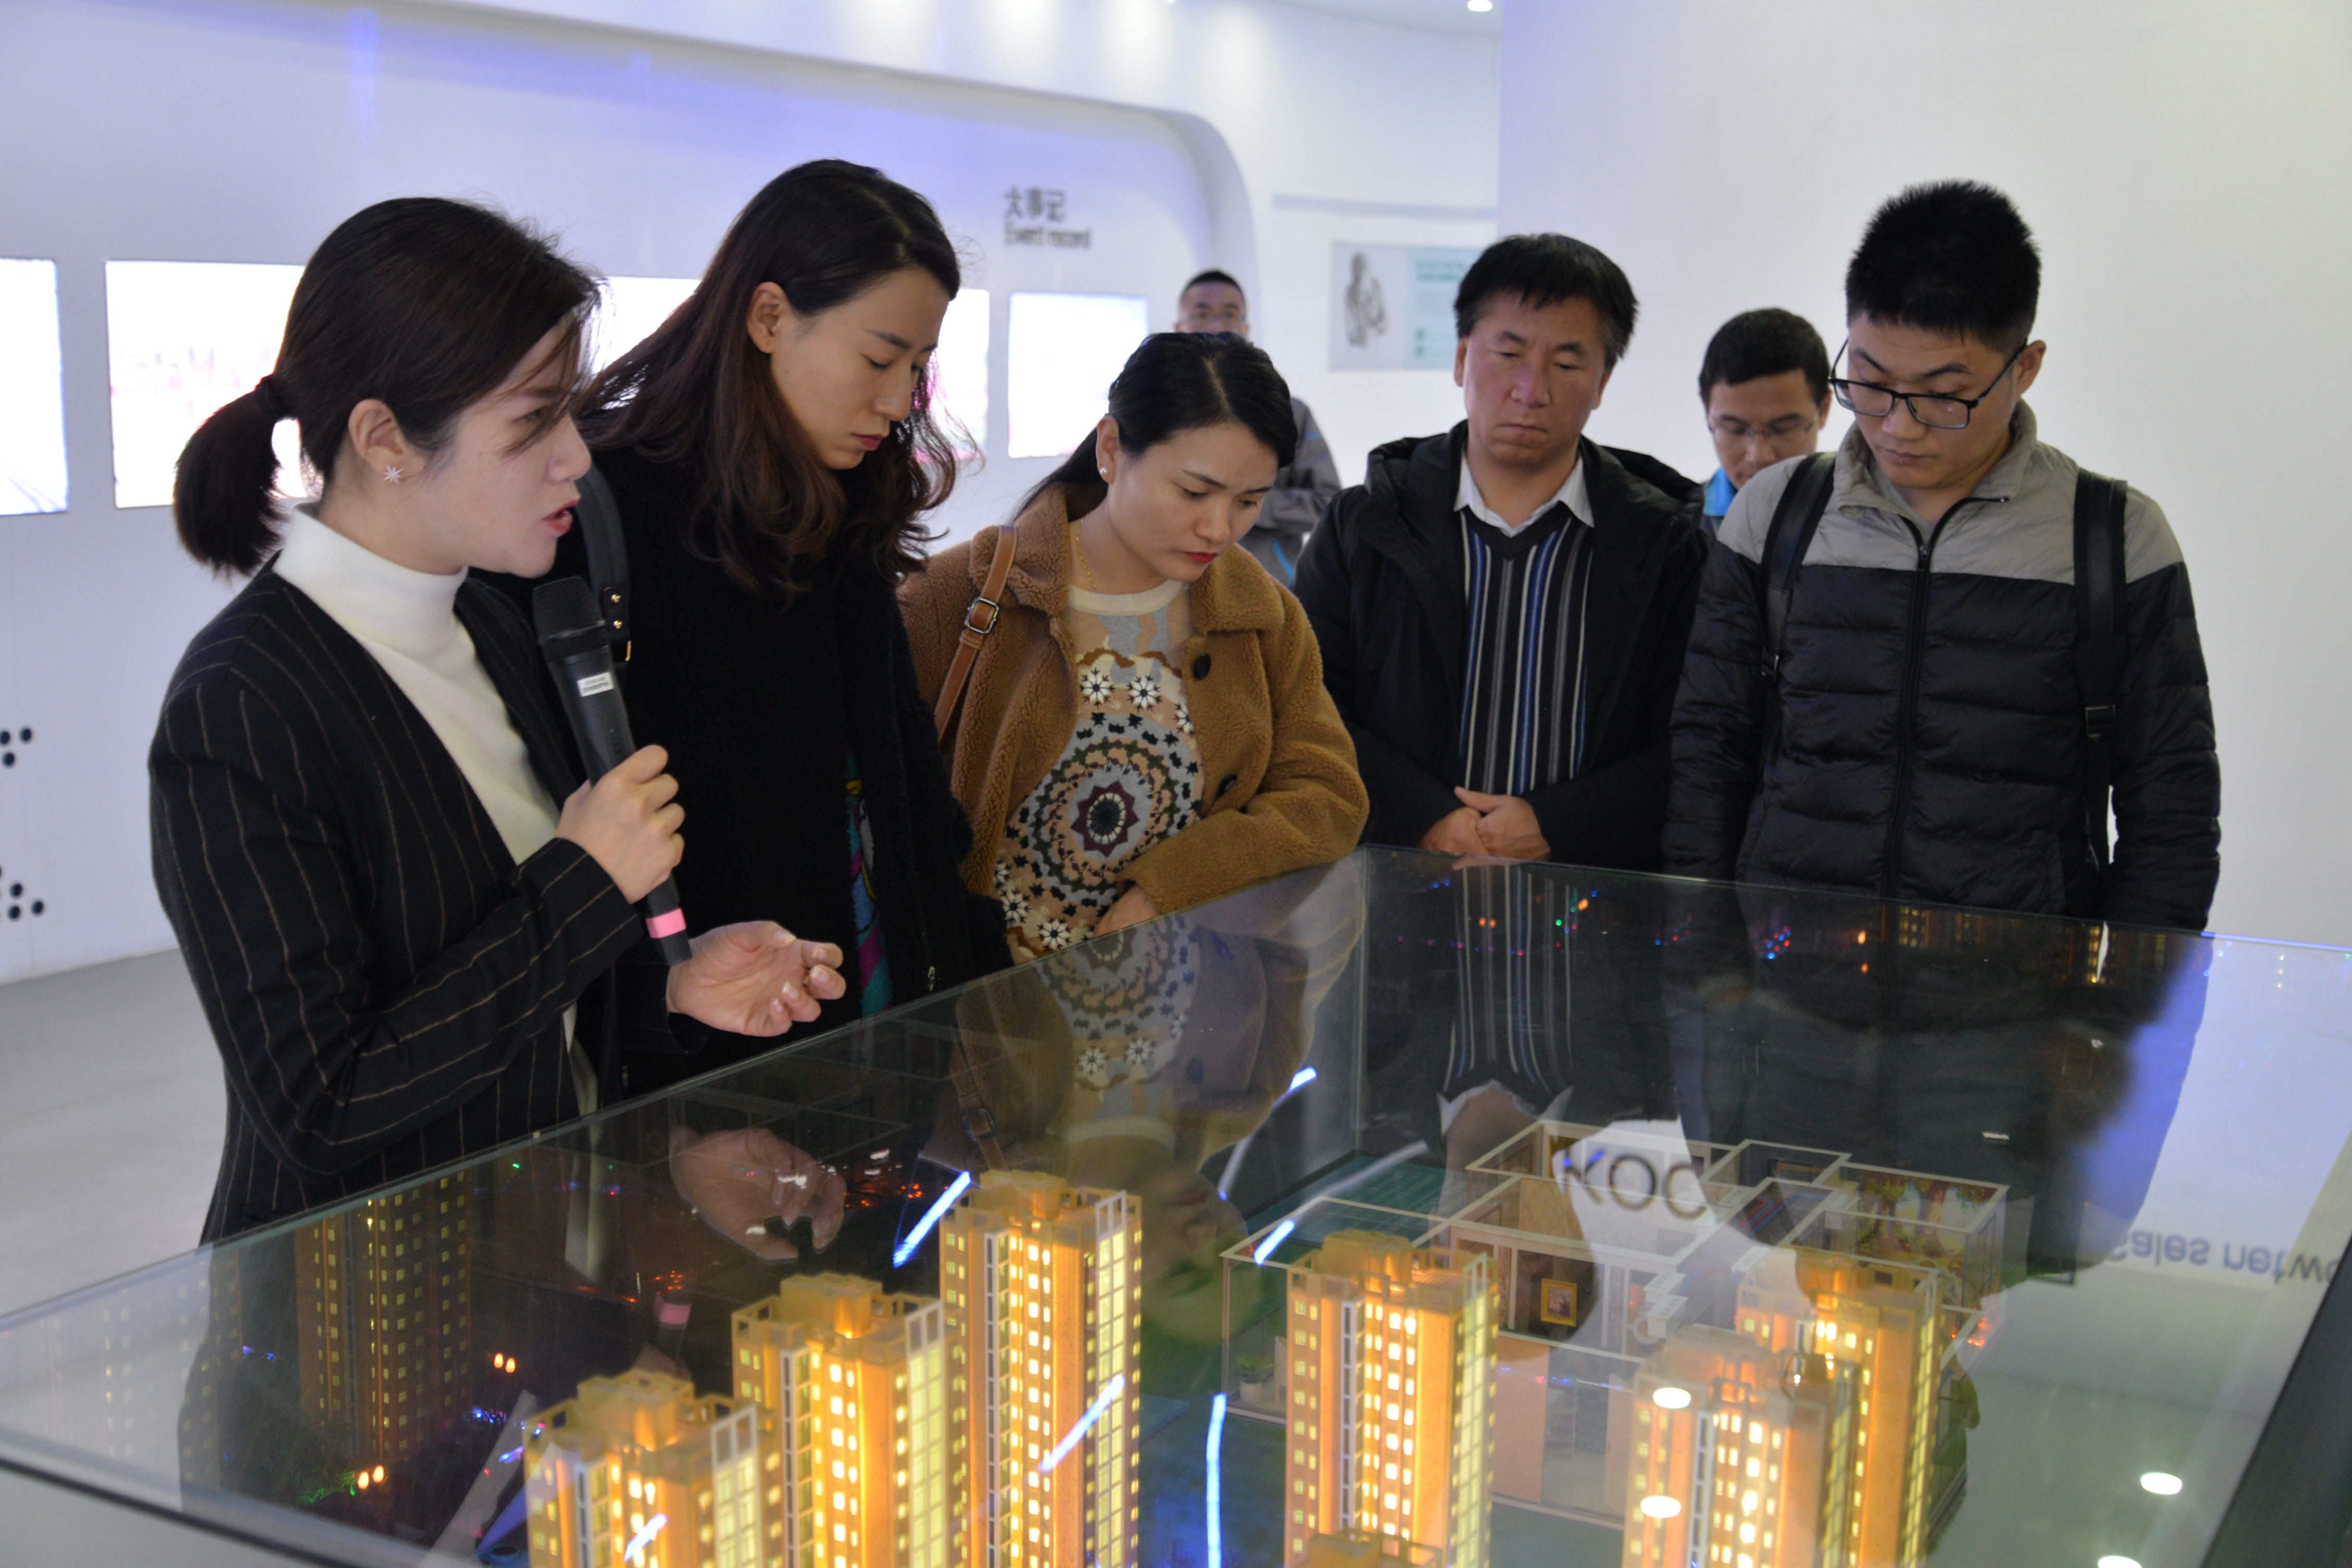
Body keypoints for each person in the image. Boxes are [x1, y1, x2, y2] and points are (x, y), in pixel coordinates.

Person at [152, 198, 843, 1241]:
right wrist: (586, 882)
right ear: (385, 437)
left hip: (539, 1274)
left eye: (570, 412)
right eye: (533, 422)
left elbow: (514, 989)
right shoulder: (243, 704)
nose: (577, 457)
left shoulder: (489, 619)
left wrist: (670, 985)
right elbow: (321, 1105)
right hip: (361, 1308)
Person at [504, 160, 1011, 1099]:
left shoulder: (849, 491)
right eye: (879, 359)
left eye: (918, 367)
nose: (899, 399)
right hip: (709, 1049)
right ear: (770, 316)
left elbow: (895, 763)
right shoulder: (598, 511)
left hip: (883, 1010)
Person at [1663, 181, 2220, 929]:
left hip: (2017, 986)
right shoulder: (1776, 515)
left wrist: (2123, 995)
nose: (1899, 426)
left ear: (2025, 367)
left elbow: (2172, 811)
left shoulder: (2112, 538)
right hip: (1788, 978)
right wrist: (1705, 967)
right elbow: (1708, 757)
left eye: (1943, 395)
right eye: (1870, 382)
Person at [900, 332, 1367, 962]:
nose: (1219, 528)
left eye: (1249, 501)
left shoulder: (1262, 616)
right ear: (1111, 450)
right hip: (989, 1004)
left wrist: (1174, 884)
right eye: (1194, 492)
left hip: (1191, 1001)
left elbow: (1327, 795)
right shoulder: (960, 592)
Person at [1293, 232, 1709, 869]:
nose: (1530, 389)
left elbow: (1693, 732)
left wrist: (1559, 822)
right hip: (1397, 886)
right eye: (1508, 353)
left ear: (1602, 381)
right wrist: (1425, 816)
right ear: (1463, 357)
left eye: (1566, 364)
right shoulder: (1365, 525)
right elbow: (1308, 702)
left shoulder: (1665, 545)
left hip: (1590, 896)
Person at [1173, 268, 1340, 585]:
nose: (1217, 325)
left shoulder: (1290, 413)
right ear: (1178, 328)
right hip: (1172, 588)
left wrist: (1251, 504)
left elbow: (1328, 504)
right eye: (1202, 314)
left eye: (1230, 314)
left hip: (1266, 587)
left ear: (1246, 328)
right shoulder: (1155, 409)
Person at [1694, 307, 1832, 534]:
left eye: (1782, 429)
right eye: (1735, 430)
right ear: (1707, 410)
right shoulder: (1674, 529)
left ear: (1824, 409)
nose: (1759, 456)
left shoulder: (1868, 526)